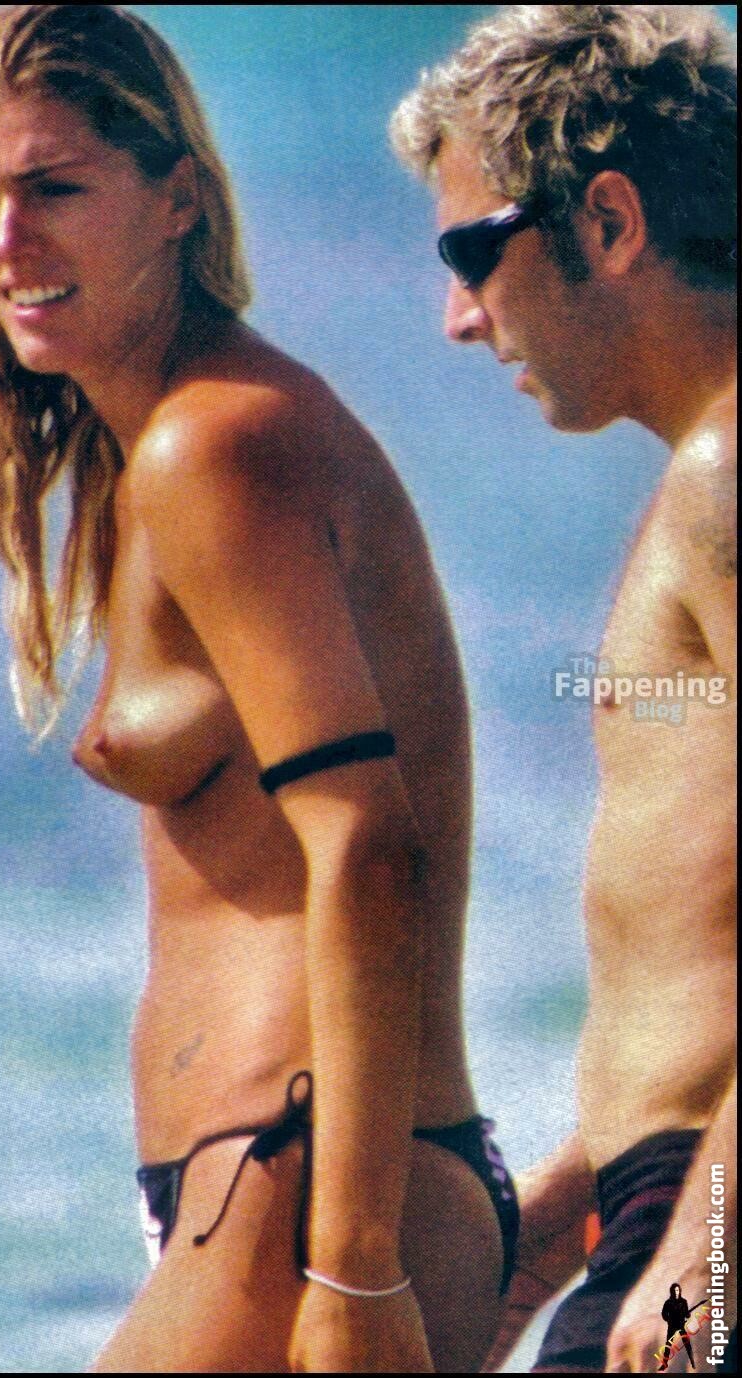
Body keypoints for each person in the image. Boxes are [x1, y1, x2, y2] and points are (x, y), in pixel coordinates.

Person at [0, 5, 519, 1371]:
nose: (6, 242)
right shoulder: (159, 449)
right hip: (277, 1190)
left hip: (308, 1194)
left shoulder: (215, 445)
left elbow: (366, 845)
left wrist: (354, 1266)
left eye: (54, 189)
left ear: (178, 199)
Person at [391, 4, 736, 1373]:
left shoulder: (725, 477)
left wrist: (699, 1252)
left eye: (472, 252)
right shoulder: (699, 479)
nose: (458, 317)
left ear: (608, 221)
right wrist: (563, 1209)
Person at [660, 1283, 695, 1371]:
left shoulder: (683, 1302)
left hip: (681, 1325)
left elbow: (687, 1315)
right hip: (672, 1326)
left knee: (687, 1343)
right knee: (668, 1345)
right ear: (672, 1291)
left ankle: (692, 1361)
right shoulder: (668, 1303)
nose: (677, 1292)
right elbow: (664, 1314)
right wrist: (669, 1320)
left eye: (678, 1290)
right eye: (675, 1290)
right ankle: (664, 1364)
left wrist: (688, 1314)